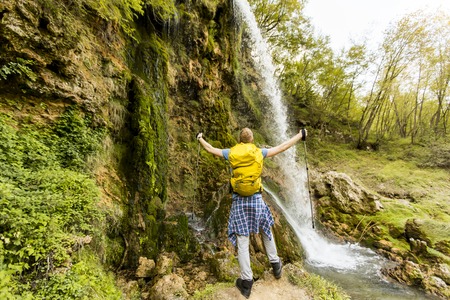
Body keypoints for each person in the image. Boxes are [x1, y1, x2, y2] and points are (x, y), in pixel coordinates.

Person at [196, 127, 307, 298]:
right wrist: (300, 135)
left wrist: (200, 138)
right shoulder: (259, 152)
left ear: (239, 140)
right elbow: (283, 147)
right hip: (256, 199)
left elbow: (210, 149)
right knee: (266, 229)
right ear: (252, 139)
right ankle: (276, 265)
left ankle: (246, 282)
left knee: (242, 240)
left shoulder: (231, 152)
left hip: (239, 200)